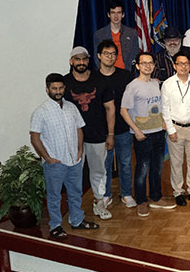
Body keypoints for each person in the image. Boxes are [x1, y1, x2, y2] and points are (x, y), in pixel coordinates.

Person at [30, 73, 99, 240]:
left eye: (60, 88)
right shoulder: (41, 112)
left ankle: (77, 220)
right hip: (55, 162)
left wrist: (80, 150)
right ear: (47, 90)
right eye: (54, 88)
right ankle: (55, 225)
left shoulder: (71, 107)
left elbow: (79, 128)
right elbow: (34, 137)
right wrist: (48, 158)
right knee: (54, 195)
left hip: (73, 160)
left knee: (75, 192)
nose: (58, 91)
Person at [120, 51, 176, 216]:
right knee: (142, 169)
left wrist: (164, 123)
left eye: (150, 62)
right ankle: (141, 201)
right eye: (143, 63)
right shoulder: (132, 86)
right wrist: (136, 130)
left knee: (157, 168)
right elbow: (123, 111)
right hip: (142, 135)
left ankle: (156, 198)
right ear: (137, 66)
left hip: (158, 132)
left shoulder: (155, 83)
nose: (148, 66)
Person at [64, 47, 115, 221]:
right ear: (71, 61)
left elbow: (110, 108)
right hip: (72, 138)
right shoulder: (64, 84)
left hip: (98, 134)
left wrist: (110, 134)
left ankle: (99, 202)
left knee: (99, 170)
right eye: (77, 59)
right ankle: (75, 208)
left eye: (84, 59)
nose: (81, 62)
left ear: (88, 60)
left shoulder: (100, 81)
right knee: (73, 172)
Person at [161, 51, 190, 207]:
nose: (183, 66)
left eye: (186, 64)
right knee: (176, 163)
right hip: (175, 127)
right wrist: (170, 130)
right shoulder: (168, 84)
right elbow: (165, 108)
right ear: (174, 65)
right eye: (180, 63)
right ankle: (178, 192)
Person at [95, 40, 135, 208]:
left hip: (123, 128)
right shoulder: (93, 78)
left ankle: (126, 194)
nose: (110, 57)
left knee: (125, 163)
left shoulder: (125, 76)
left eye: (113, 54)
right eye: (106, 54)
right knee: (105, 165)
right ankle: (106, 195)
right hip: (101, 130)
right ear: (99, 56)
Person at [92, 0, 138, 70]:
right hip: (107, 74)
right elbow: (96, 57)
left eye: (119, 13)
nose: (116, 16)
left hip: (126, 73)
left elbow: (135, 54)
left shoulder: (132, 33)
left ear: (123, 15)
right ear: (108, 15)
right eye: (113, 13)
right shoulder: (99, 34)